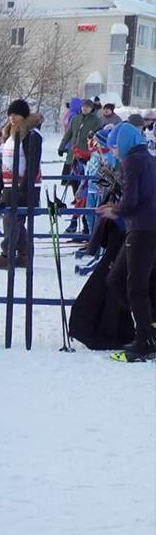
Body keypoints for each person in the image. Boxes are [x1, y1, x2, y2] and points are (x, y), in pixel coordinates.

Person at [98, 121, 156, 362]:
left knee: (134, 285)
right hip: (147, 228)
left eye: (113, 148)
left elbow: (131, 200)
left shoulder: (131, 161)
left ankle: (145, 339)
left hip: (141, 229)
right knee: (118, 278)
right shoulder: (150, 158)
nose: (112, 152)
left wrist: (115, 210)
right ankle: (148, 327)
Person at [0, 100, 43, 270]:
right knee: (15, 220)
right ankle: (24, 254)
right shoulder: (10, 134)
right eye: (10, 115)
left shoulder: (31, 135)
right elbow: (5, 162)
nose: (12, 118)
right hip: (10, 184)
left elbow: (32, 164)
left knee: (12, 220)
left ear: (23, 116)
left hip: (24, 185)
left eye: (15, 115)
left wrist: (24, 189)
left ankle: (7, 255)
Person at [59, 98, 99, 191]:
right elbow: (68, 134)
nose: (85, 109)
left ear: (91, 109)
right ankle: (76, 199)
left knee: (84, 180)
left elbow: (97, 137)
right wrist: (61, 147)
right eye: (83, 106)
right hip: (73, 153)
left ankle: (81, 201)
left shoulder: (95, 120)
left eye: (88, 107)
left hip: (86, 154)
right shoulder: (75, 118)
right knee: (73, 179)